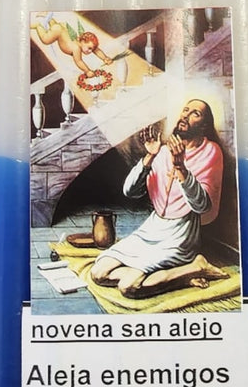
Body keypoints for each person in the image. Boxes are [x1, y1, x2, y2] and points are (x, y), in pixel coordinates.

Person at [90, 99, 227, 298]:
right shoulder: (163, 151)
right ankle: (177, 275)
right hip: (152, 228)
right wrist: (150, 156)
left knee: (129, 287)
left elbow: (202, 206)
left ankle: (196, 267)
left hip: (181, 233)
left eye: (195, 113)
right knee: (98, 273)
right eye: (185, 110)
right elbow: (130, 191)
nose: (186, 116)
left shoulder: (210, 152)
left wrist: (181, 168)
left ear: (205, 125)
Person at [31, 12, 113, 77]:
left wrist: (105, 58)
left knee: (57, 28)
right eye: (89, 48)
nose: (90, 51)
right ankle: (38, 26)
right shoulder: (76, 48)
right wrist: (87, 71)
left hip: (60, 27)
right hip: (58, 30)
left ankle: (48, 18)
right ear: (83, 42)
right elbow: (79, 61)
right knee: (45, 40)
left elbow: (96, 50)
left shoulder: (81, 41)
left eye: (91, 49)